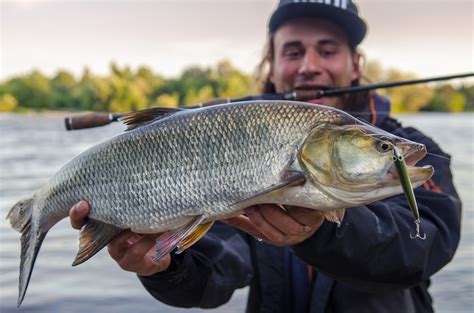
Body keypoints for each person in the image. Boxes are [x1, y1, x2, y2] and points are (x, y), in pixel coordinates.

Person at [69, 1, 462, 312]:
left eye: (328, 50)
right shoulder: (237, 143)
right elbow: (217, 275)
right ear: (272, 66)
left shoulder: (411, 148)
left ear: (355, 64)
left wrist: (322, 228)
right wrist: (165, 267)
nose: (310, 67)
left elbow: (420, 252)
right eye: (293, 52)